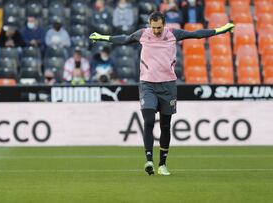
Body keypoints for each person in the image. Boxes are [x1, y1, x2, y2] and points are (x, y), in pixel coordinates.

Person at [89, 11, 234, 176]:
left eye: (159, 27)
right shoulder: (143, 34)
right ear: (149, 24)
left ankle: (162, 164)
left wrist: (222, 29)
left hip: (168, 86)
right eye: (153, 27)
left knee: (165, 126)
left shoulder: (173, 34)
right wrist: (102, 37)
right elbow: (124, 38)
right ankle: (149, 160)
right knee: (149, 121)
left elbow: (197, 35)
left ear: (164, 24)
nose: (156, 31)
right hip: (148, 85)